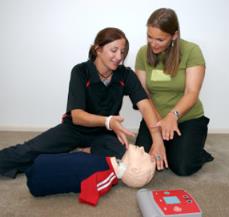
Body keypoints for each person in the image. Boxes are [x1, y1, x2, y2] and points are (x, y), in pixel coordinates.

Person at [0, 27, 166, 179]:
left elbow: (145, 105)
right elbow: (77, 116)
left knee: (125, 162)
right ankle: (77, 153)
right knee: (29, 151)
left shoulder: (125, 75)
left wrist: (157, 141)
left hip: (104, 134)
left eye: (122, 52)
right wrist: (108, 121)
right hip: (75, 129)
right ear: (98, 49)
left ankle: (83, 152)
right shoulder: (80, 71)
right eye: (113, 50)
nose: (119, 57)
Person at [134, 8, 214, 176]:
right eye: (149, 37)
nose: (153, 43)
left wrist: (172, 116)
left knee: (183, 167)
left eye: (160, 39)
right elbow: (143, 95)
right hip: (154, 118)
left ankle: (195, 149)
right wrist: (158, 132)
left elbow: (192, 92)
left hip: (186, 118)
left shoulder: (192, 51)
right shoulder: (143, 53)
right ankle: (172, 145)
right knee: (146, 164)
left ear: (174, 35)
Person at [25, 144, 156, 206]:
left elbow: (88, 194)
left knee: (63, 164)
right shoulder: (108, 164)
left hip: (41, 175)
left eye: (142, 155)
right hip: (44, 164)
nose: (143, 149)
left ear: (134, 170)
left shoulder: (108, 176)